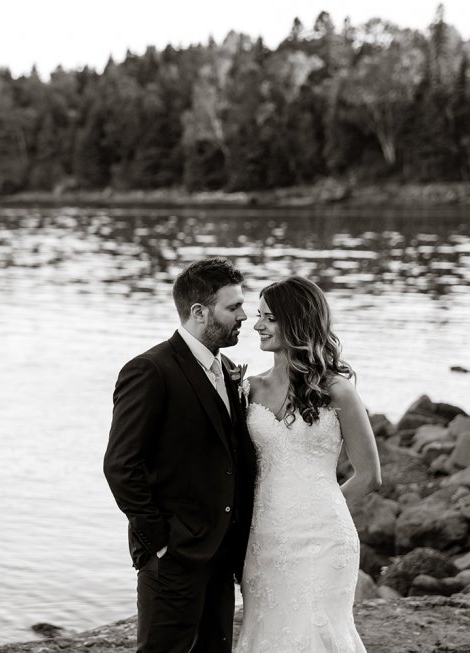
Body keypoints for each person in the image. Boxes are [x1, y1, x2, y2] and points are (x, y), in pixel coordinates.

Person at [104, 258, 258, 653]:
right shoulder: (150, 370)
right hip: (173, 557)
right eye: (234, 307)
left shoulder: (226, 368)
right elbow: (121, 465)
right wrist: (158, 542)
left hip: (221, 556)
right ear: (199, 312)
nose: (244, 316)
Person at [236, 276, 381, 652]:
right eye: (258, 315)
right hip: (263, 539)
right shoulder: (248, 389)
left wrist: (316, 508)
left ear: (297, 321)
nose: (257, 325)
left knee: (315, 634)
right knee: (266, 633)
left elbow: (369, 475)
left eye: (269, 318)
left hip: (323, 539)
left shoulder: (337, 391)